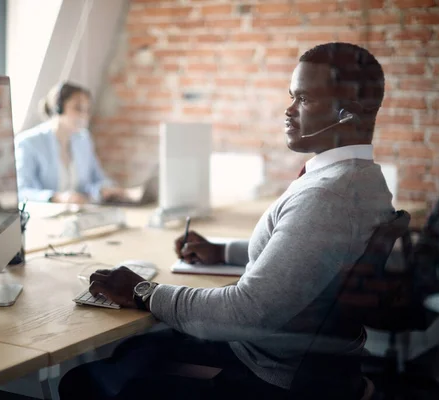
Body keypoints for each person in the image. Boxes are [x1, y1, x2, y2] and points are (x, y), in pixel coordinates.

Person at [58, 42, 395, 399]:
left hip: (266, 373)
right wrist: (225, 251)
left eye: (304, 100)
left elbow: (244, 312)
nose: (288, 110)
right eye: (291, 97)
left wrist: (143, 291)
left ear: (347, 114)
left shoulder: (328, 196)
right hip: (299, 361)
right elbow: (312, 256)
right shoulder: (361, 178)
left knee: (85, 383)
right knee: (132, 352)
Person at [14, 82, 126, 204]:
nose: (84, 115)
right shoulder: (28, 143)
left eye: (87, 110)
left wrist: (105, 189)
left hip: (80, 213)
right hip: (44, 217)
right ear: (59, 107)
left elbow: (97, 179)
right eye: (78, 108)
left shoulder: (83, 139)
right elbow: (21, 191)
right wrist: (56, 198)